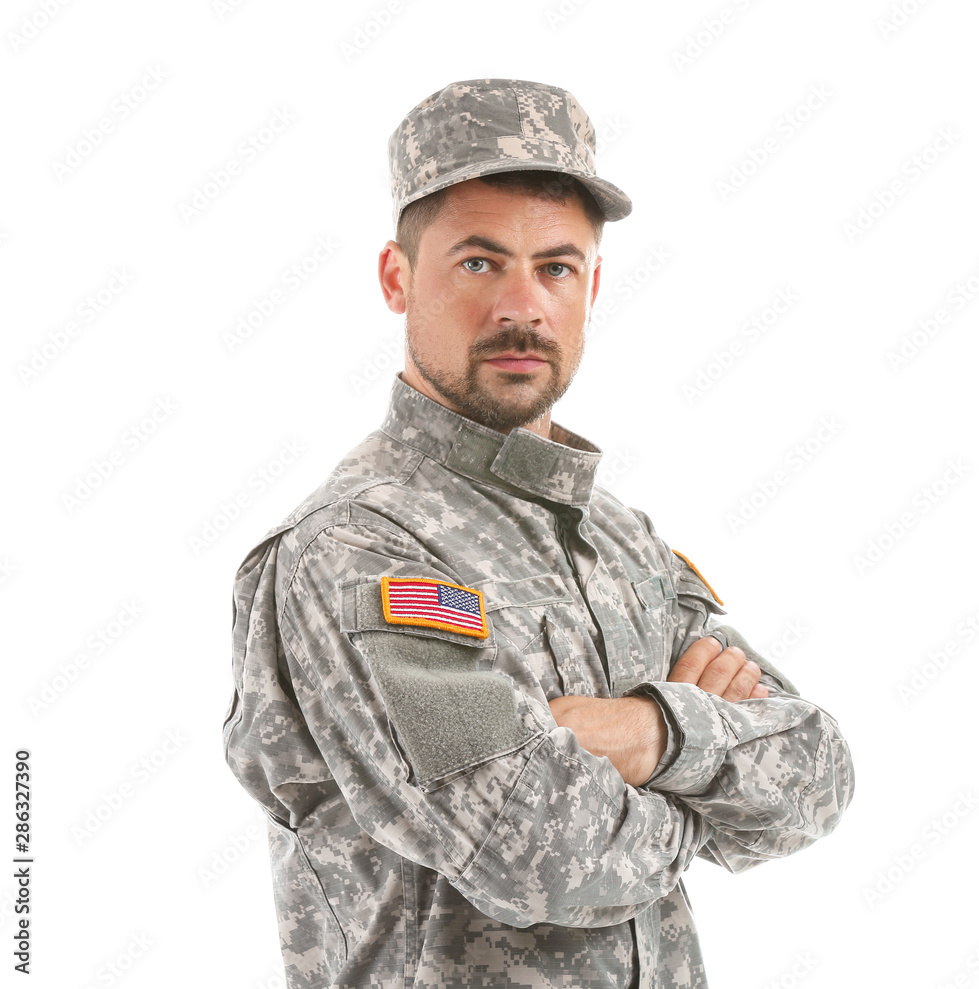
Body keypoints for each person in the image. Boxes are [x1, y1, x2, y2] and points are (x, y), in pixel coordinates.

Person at [224, 78, 855, 989]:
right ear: (397, 279)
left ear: (591, 285)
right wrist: (711, 786)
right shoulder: (359, 548)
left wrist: (650, 735)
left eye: (555, 266)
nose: (522, 306)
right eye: (479, 263)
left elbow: (819, 773)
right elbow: (535, 850)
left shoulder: (622, 540)